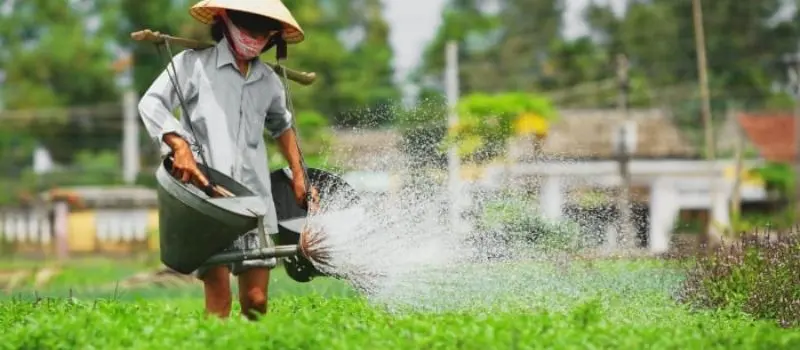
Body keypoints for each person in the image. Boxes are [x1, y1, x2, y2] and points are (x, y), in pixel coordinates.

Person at [138, 0, 317, 320]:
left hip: (254, 202)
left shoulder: (269, 81)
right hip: (208, 200)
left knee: (257, 301)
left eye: (263, 32)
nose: (255, 37)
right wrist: (178, 145)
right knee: (218, 300)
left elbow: (283, 125)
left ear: (272, 36)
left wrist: (299, 174)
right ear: (225, 19)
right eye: (248, 27)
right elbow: (151, 103)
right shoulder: (193, 65)